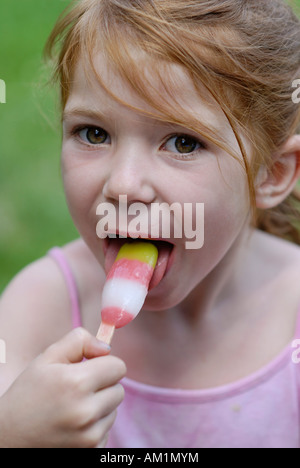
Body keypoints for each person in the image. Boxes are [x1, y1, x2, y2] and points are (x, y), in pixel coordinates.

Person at [1, 0, 300, 448]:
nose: (123, 185)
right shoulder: (39, 308)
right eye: (94, 133)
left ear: (271, 174)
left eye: (182, 142)